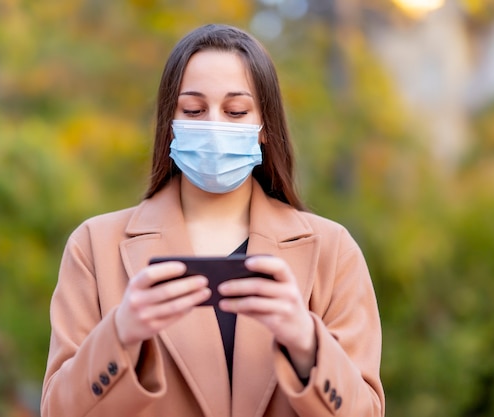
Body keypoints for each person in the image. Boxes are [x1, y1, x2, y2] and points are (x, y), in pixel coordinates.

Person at [41, 23, 384, 417]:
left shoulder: (332, 250)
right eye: (194, 110)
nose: (214, 126)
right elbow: (57, 410)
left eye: (236, 111)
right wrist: (120, 333)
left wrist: (307, 343)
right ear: (169, 123)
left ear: (264, 128)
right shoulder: (94, 247)